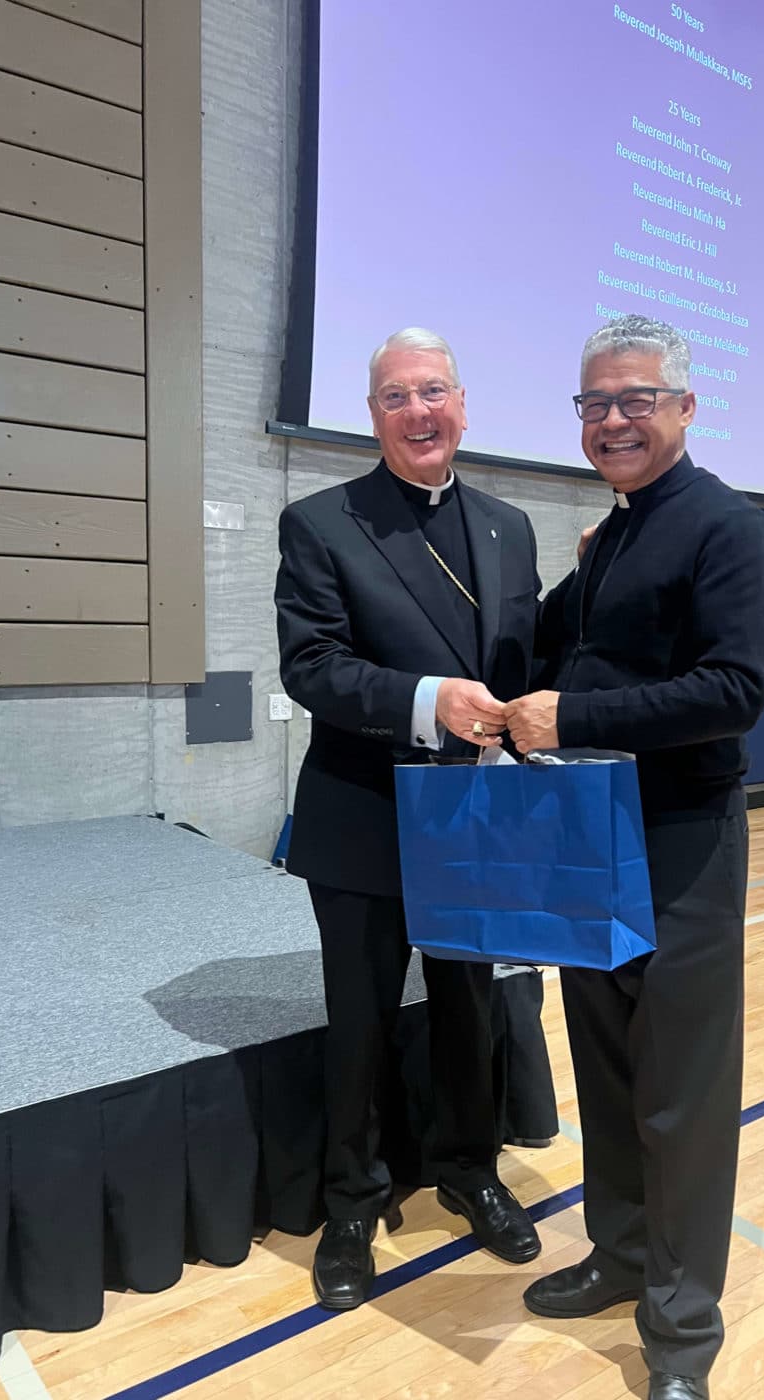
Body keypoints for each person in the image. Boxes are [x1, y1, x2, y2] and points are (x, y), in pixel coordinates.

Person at [506, 315, 764, 1400]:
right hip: (592, 832)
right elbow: (552, 642)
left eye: (634, 399)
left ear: (683, 406)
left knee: (682, 1094)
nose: (613, 418)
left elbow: (733, 693)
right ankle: (622, 1257)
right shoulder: (615, 533)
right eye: (594, 403)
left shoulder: (731, 531)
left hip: (681, 841)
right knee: (611, 1066)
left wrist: (568, 711)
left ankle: (681, 1334)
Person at [274, 327, 542, 1311]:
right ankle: (352, 1199)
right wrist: (431, 698)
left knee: (473, 1003)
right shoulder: (321, 521)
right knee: (361, 1016)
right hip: (364, 811)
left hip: (472, 814)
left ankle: (471, 1165)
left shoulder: (512, 525)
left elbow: (527, 657)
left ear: (463, 406)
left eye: (434, 391)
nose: (419, 411)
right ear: (374, 413)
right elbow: (313, 665)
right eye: (397, 395)